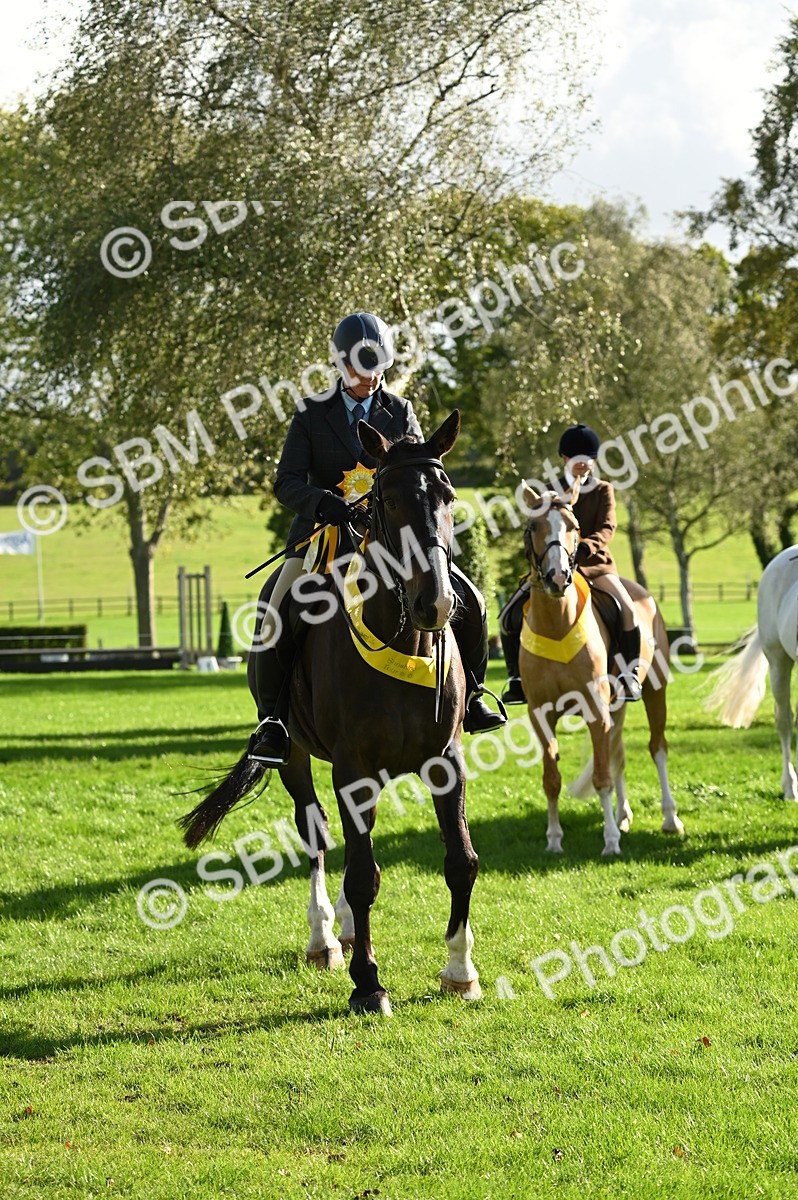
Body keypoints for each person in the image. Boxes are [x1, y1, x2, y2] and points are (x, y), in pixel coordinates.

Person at [248, 310, 506, 765]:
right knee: (277, 606)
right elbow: (285, 481)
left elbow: (424, 471)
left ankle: (476, 696)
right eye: (360, 368)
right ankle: (273, 722)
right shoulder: (311, 414)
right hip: (322, 537)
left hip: (390, 540)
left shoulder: (399, 410)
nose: (371, 377)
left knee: (470, 600)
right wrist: (323, 502)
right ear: (339, 364)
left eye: (378, 367)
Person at [500, 422, 643, 705]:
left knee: (628, 611)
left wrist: (584, 549)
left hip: (595, 566)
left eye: (588, 459)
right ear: (565, 458)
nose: (584, 464)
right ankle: (516, 679)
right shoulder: (549, 491)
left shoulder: (603, 490)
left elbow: (607, 527)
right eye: (578, 459)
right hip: (551, 569)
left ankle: (629, 674)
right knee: (508, 615)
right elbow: (536, 530)